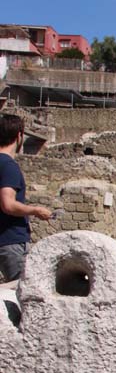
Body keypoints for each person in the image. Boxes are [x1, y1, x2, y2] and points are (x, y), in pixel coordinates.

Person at [0, 114, 52, 283]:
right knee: (25, 293)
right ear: (19, 136)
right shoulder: (8, 166)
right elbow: (8, 204)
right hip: (11, 241)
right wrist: (35, 210)